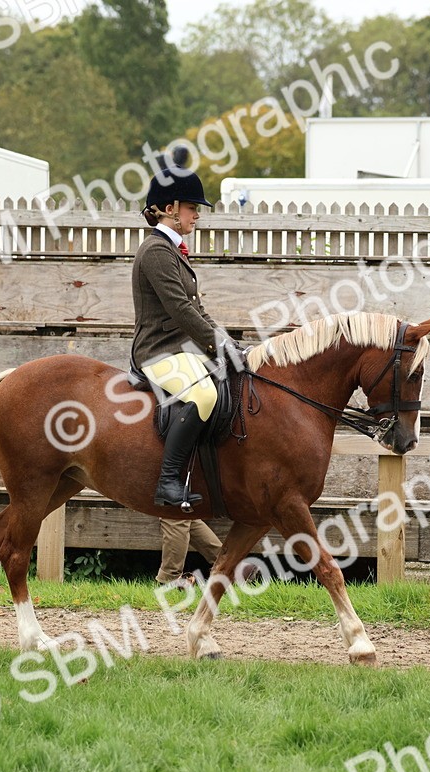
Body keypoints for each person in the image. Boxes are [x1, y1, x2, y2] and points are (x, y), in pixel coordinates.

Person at [131, 158, 239, 509]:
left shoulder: (173, 252)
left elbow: (197, 309)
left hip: (182, 348)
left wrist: (225, 340)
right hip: (157, 351)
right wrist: (215, 342)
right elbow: (181, 310)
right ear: (168, 209)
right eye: (192, 208)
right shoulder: (156, 251)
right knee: (203, 395)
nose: (197, 215)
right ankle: (168, 481)